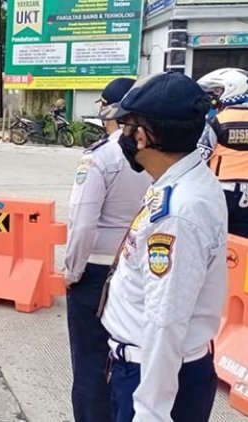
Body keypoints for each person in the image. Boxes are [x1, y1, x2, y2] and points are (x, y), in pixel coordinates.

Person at [98, 72, 227, 421]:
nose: (122, 137)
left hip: (153, 378)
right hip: (147, 367)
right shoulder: (180, 184)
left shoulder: (180, 212)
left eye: (126, 128)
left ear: (142, 136)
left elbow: (165, 320)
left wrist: (150, 412)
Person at [63, 77, 151, 422]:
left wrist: (72, 272)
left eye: (102, 104)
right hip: (137, 269)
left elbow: (83, 223)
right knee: (126, 358)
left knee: (89, 362)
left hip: (96, 271)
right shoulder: (155, 151)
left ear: (112, 109)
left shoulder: (101, 156)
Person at [196, 68, 248, 236]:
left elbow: (200, 156)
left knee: (220, 241)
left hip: (223, 191)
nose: (214, 98)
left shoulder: (217, 121)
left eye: (217, 91)